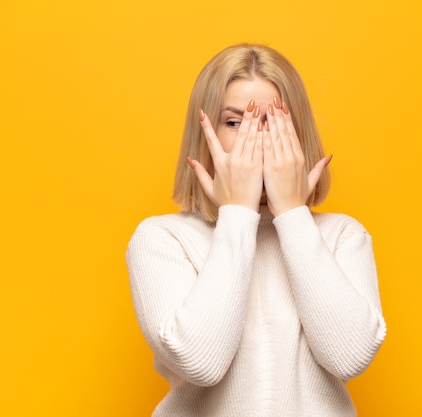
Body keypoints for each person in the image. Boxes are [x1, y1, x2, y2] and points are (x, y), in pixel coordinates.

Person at [126, 43, 387, 416]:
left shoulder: (342, 236)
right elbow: (201, 362)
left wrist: (293, 214)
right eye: (235, 122)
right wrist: (237, 213)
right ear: (205, 134)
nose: (259, 139)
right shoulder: (162, 240)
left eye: (277, 121)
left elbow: (349, 357)